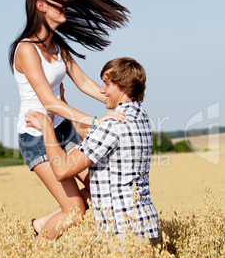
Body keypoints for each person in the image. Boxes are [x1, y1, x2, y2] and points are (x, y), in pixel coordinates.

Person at [9, 0, 129, 240]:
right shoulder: (26, 50)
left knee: (101, 187)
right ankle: (36, 252)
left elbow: (85, 83)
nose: (66, 5)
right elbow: (50, 102)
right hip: (37, 137)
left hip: (62, 130)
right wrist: (96, 121)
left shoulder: (57, 46)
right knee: (75, 210)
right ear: (41, 6)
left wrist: (123, 102)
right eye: (60, 0)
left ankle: (42, 223)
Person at [25, 57, 159, 244]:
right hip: (146, 227)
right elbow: (93, 137)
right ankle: (45, 221)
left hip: (123, 234)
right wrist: (62, 105)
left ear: (123, 87)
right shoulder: (141, 117)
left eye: (106, 84)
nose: (101, 90)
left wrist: (47, 126)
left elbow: (62, 170)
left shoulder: (113, 125)